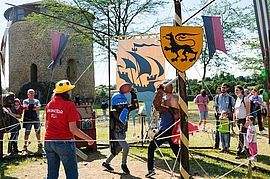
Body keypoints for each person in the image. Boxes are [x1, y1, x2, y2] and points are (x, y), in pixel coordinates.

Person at [45, 80, 94, 179]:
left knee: (52, 174)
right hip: (64, 142)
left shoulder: (50, 104)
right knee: (71, 174)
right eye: (70, 90)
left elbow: (46, 125)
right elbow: (73, 129)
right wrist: (88, 139)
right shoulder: (69, 105)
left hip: (48, 142)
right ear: (67, 92)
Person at [145, 81, 180, 178]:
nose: (164, 86)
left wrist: (160, 92)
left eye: (166, 85)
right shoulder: (170, 98)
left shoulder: (172, 98)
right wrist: (160, 92)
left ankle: (150, 169)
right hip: (168, 128)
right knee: (177, 150)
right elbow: (158, 106)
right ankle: (185, 170)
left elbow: (158, 106)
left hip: (167, 129)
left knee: (151, 147)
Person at [102, 82, 139, 175]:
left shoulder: (124, 108)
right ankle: (124, 165)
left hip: (122, 132)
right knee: (126, 147)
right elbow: (121, 118)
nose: (121, 106)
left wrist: (133, 94)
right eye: (120, 104)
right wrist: (127, 108)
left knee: (117, 150)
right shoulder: (114, 111)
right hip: (116, 133)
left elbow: (136, 106)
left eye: (123, 104)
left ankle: (106, 163)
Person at [213, 83, 235, 149]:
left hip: (227, 116)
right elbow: (215, 106)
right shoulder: (217, 97)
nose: (223, 88)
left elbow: (234, 107)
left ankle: (227, 147)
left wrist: (231, 115)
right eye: (222, 87)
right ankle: (218, 145)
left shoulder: (230, 98)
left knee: (226, 132)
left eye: (225, 87)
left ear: (227, 88)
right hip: (219, 115)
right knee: (218, 131)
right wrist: (216, 112)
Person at [234, 85, 250, 159]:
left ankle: (239, 150)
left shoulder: (246, 98)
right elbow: (235, 109)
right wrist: (235, 118)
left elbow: (248, 110)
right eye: (235, 90)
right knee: (242, 135)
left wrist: (247, 119)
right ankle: (245, 149)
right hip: (238, 119)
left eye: (237, 90)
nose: (236, 92)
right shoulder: (237, 99)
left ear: (241, 90)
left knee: (242, 134)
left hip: (244, 119)